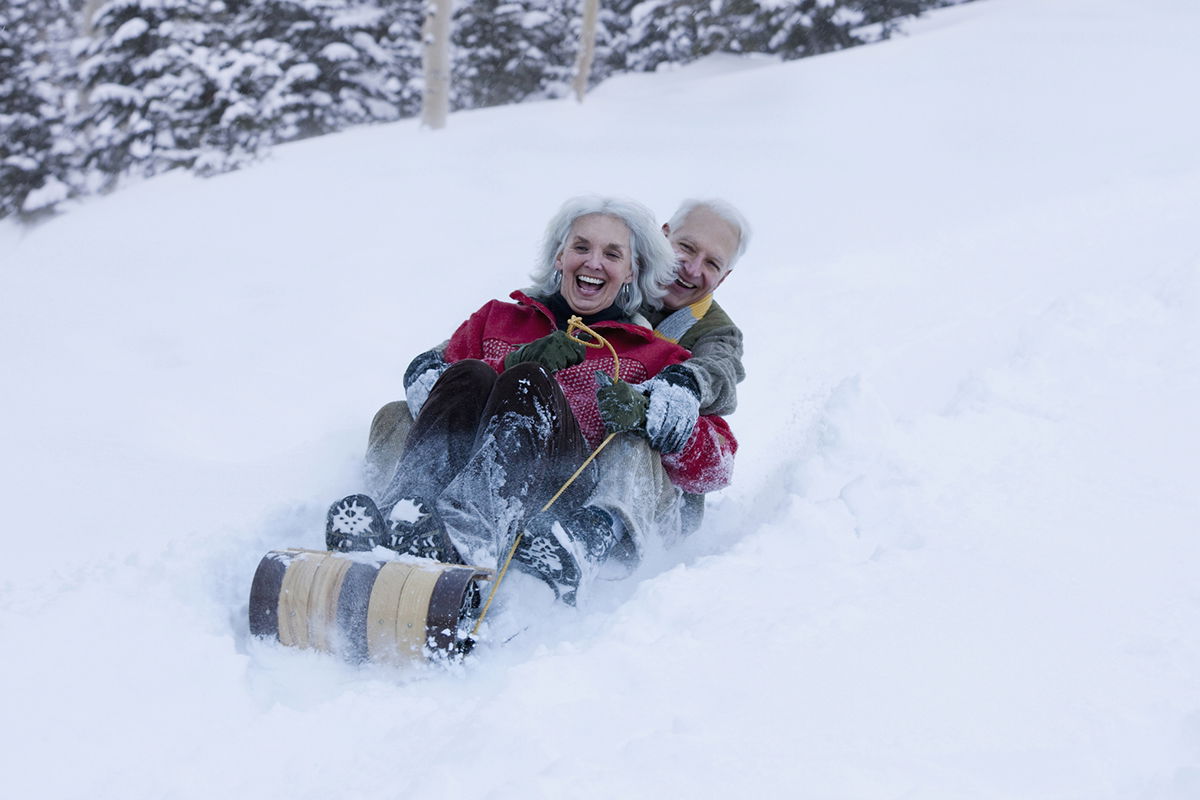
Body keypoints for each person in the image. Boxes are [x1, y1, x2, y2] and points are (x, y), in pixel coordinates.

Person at [329, 196, 737, 605]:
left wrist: (651, 413)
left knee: (528, 382)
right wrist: (506, 360)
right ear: (559, 256)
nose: (594, 262)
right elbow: (428, 378)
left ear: (633, 270)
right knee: (462, 377)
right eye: (581, 247)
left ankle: (471, 538)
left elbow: (717, 465)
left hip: (556, 496)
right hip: (457, 468)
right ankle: (399, 516)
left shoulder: (654, 355)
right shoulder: (498, 318)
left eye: (612, 254)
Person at [636, 198, 750, 532]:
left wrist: (687, 381)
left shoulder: (716, 330)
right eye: (686, 247)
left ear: (724, 277)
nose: (693, 269)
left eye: (712, 263)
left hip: (658, 497)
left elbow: (722, 369)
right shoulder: (612, 286)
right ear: (663, 235)